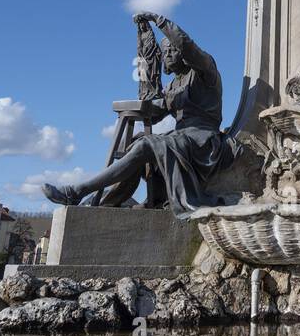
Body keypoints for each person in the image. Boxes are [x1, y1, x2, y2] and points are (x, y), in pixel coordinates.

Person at [43, 13, 233, 214]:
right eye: (164, 51)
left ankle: (77, 191)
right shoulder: (173, 86)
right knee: (137, 141)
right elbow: (154, 112)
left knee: (146, 145)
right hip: (182, 138)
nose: (166, 55)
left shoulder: (205, 72)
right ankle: (111, 203)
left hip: (203, 142)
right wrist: (143, 91)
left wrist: (158, 20)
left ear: (183, 54)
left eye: (172, 50)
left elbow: (187, 45)